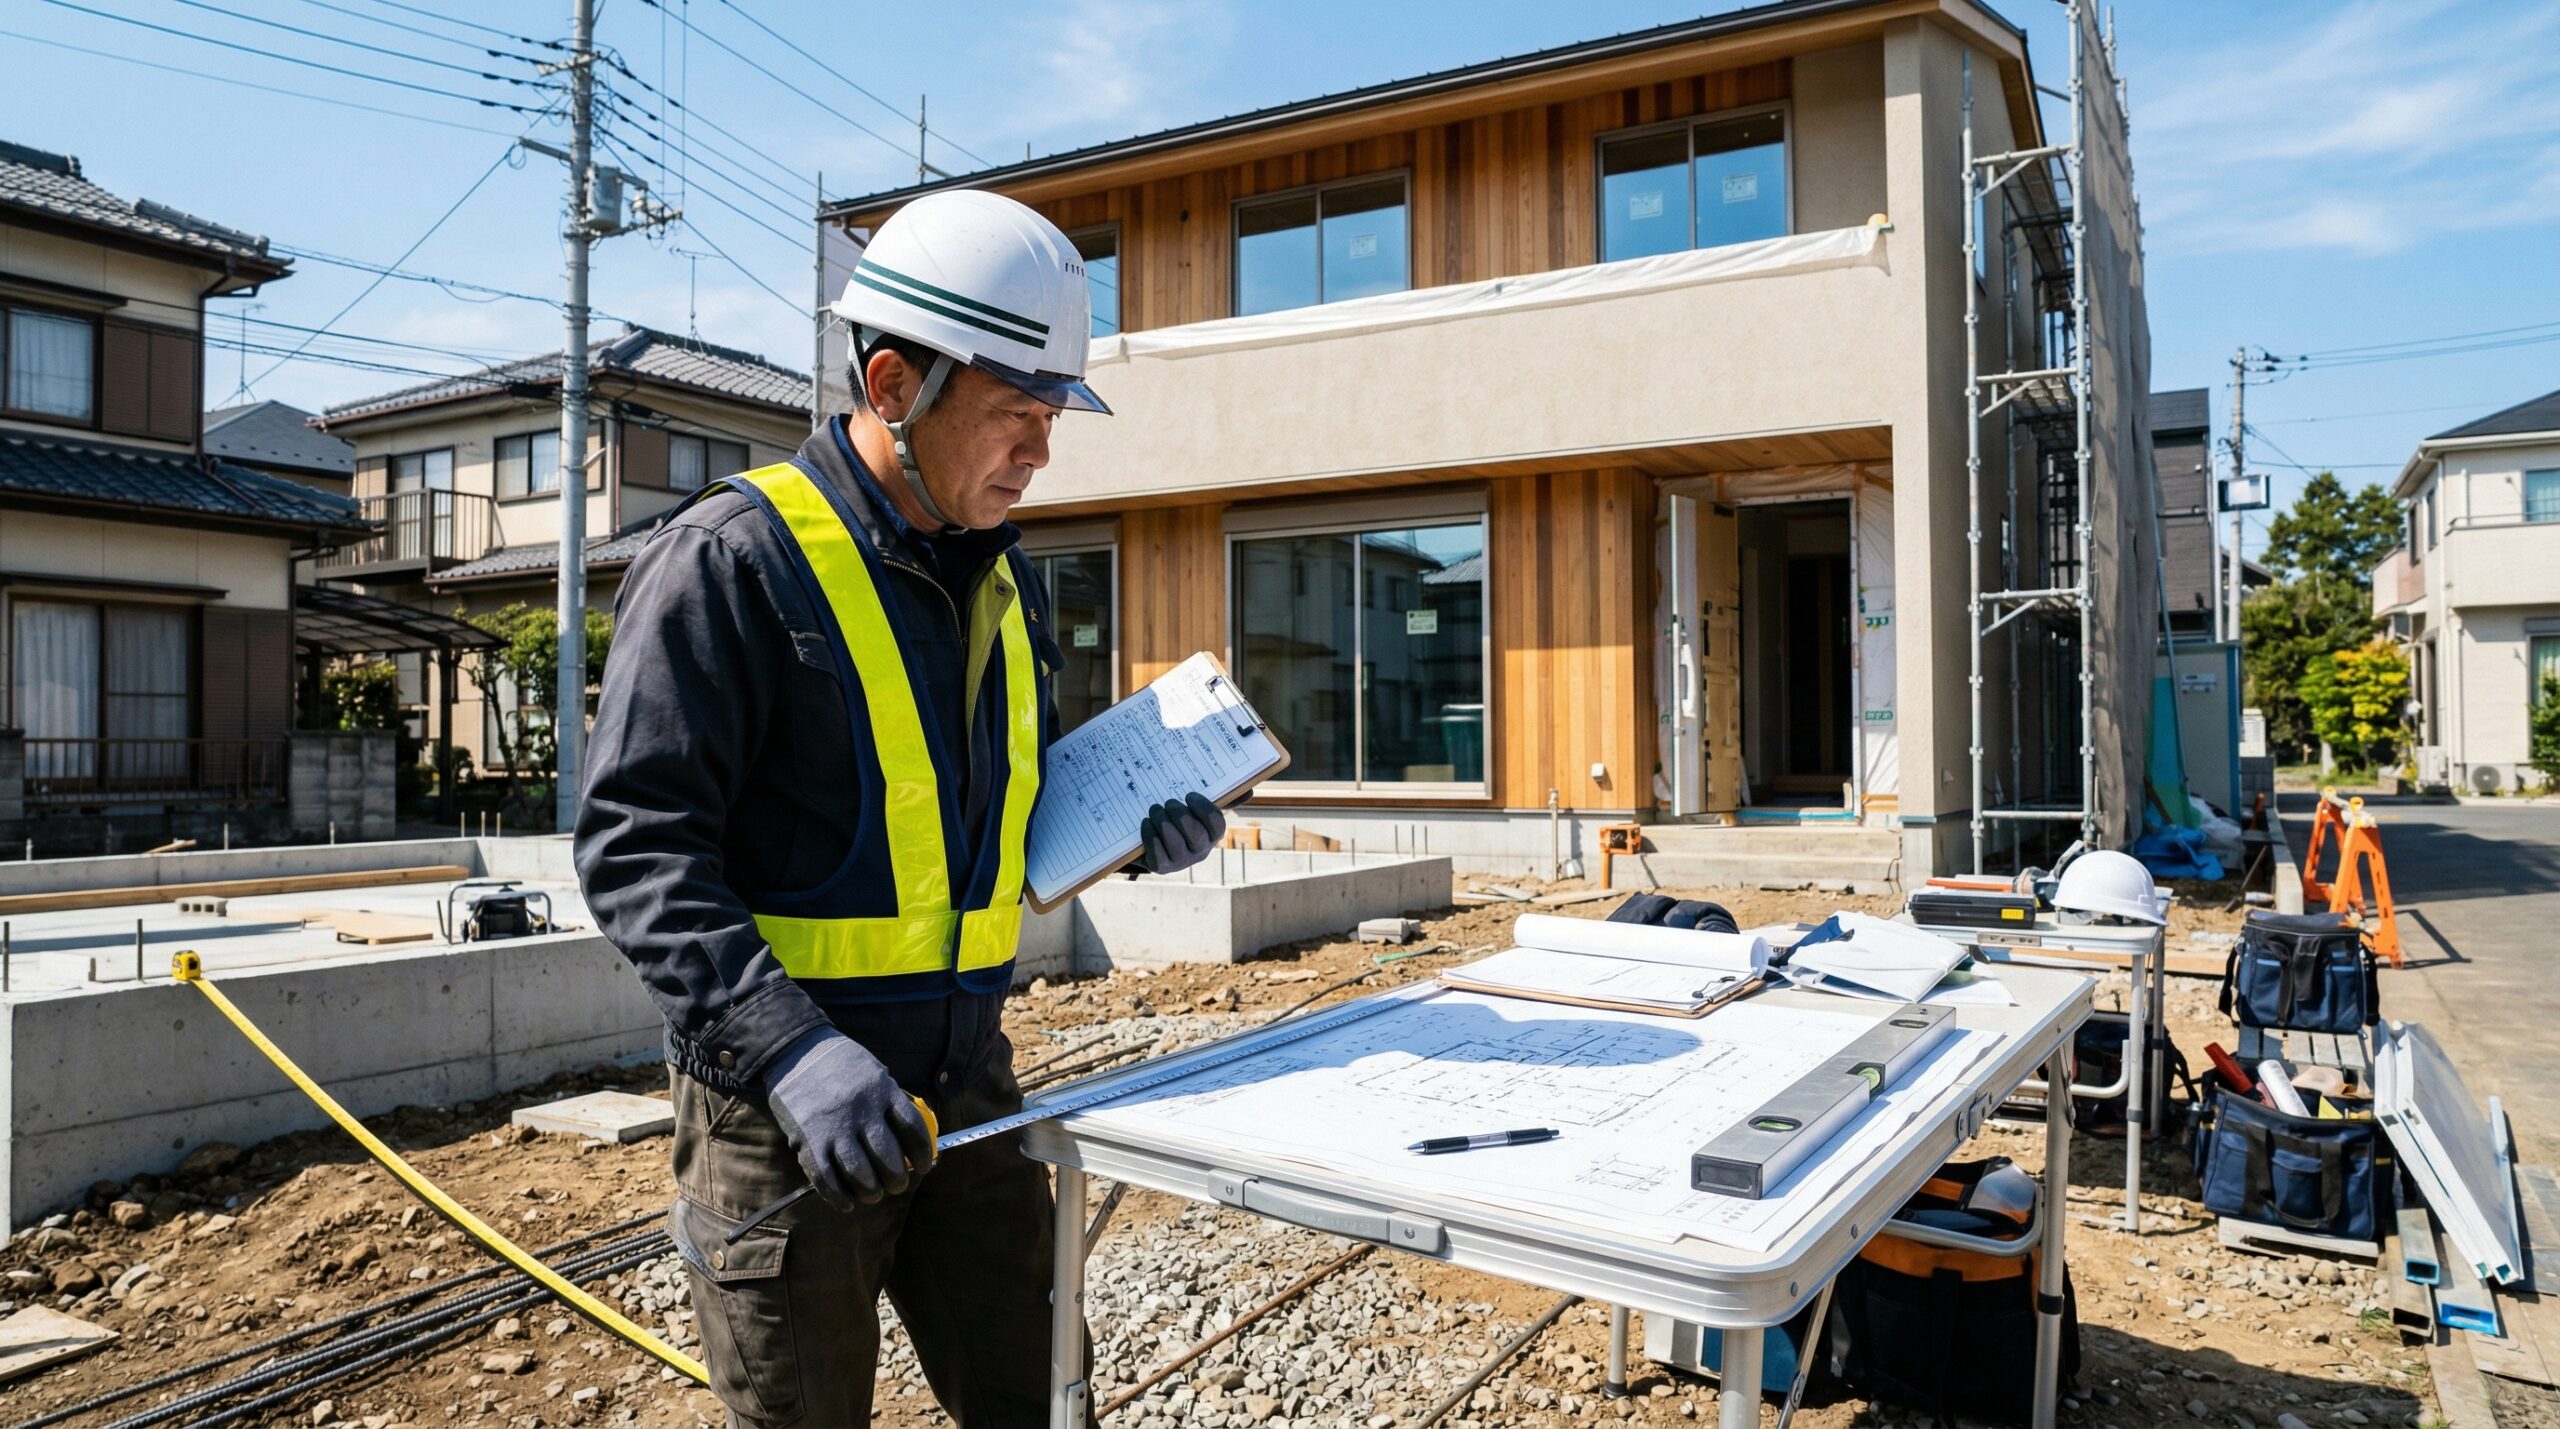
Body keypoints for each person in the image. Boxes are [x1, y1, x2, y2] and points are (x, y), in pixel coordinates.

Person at [574, 188, 1224, 1427]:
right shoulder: (731, 561)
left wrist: (1130, 832)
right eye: (1015, 416)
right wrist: (793, 1051)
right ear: (890, 385)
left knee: (1037, 1399)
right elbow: (634, 840)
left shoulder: (1005, 582)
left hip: (967, 1082)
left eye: (1051, 417)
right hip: (784, 1105)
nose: (1040, 451)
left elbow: (979, 824)